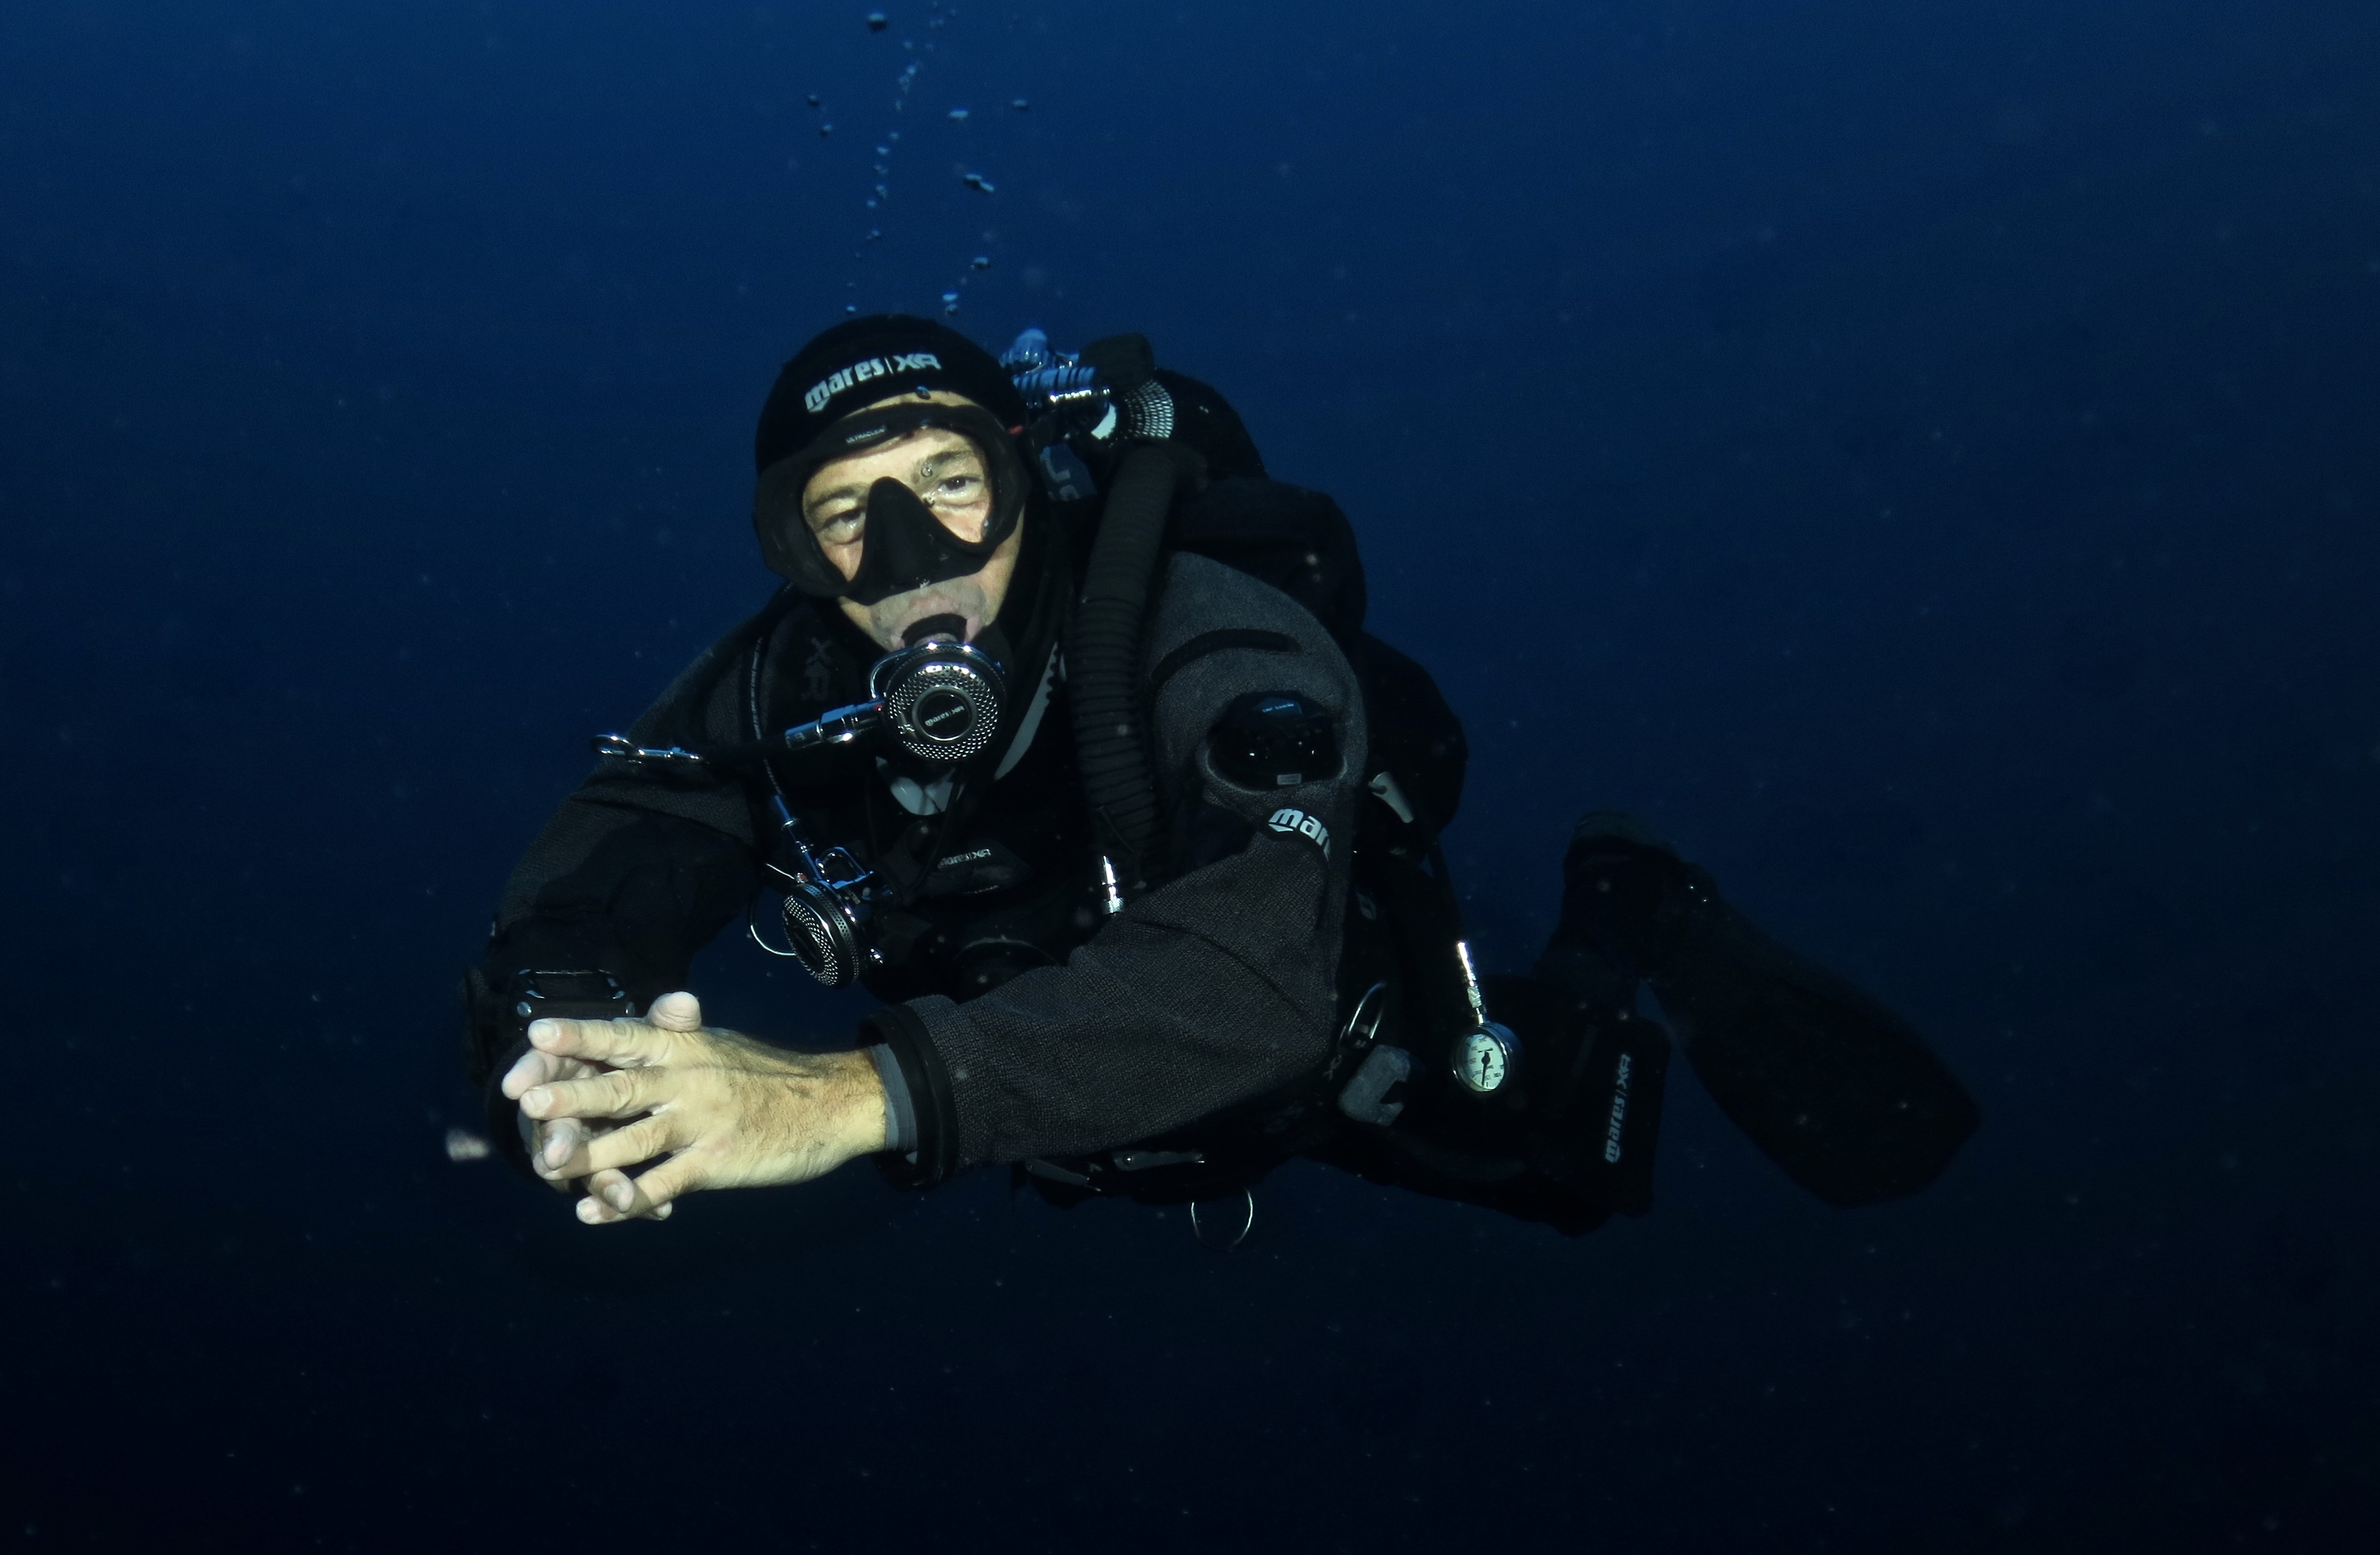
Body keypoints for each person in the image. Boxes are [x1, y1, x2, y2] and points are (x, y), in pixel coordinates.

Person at [462, 314, 1978, 1233]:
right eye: (848, 517)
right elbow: (628, 831)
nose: (914, 559)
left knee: (1551, 1165)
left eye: (948, 486)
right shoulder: (785, 670)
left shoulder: (1205, 638)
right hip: (1032, 1093)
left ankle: (1623, 903)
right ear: (796, 555)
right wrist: (567, 1053)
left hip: (1309, 1050)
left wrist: (837, 1103)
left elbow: (1255, 985)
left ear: (1026, 486)